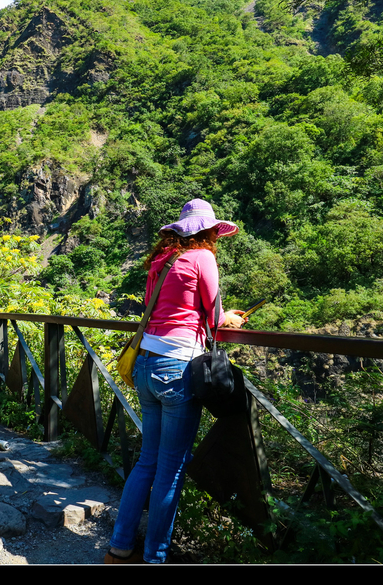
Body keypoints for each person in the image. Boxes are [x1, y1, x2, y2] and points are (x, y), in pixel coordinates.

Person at [106, 198, 246, 564]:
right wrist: (230, 318)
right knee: (170, 469)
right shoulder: (203, 258)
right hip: (177, 367)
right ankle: (155, 557)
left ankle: (119, 548)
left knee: (147, 462)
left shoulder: (162, 260)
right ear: (209, 231)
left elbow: (159, 308)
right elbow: (213, 316)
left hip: (146, 363)